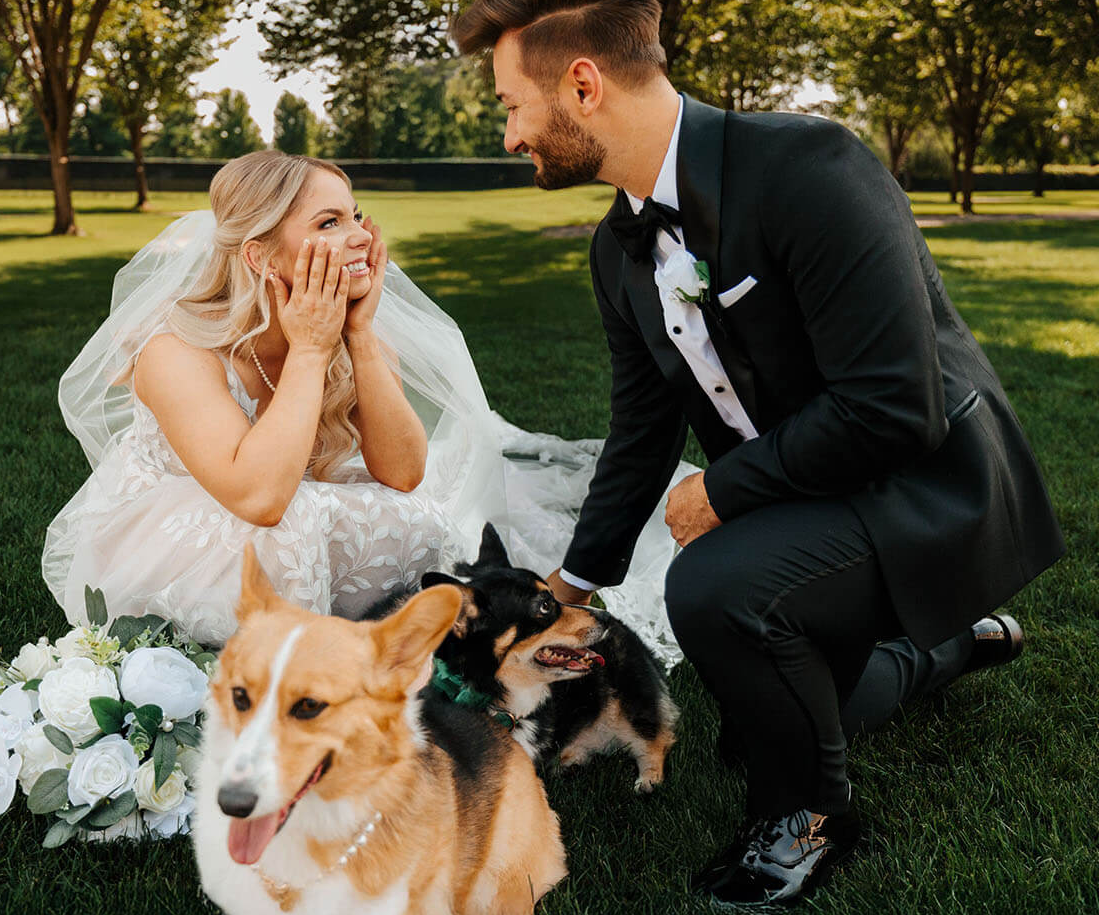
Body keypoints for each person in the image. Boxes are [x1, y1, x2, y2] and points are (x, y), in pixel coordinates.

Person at [452, 0, 1066, 909]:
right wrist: (567, 583)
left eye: (511, 104)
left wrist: (723, 492)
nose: (509, 133)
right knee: (752, 717)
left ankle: (807, 818)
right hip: (809, 494)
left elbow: (897, 406)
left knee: (716, 586)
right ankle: (948, 650)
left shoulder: (811, 169)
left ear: (582, 85)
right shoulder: (619, 254)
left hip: (925, 479)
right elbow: (642, 430)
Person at [43, 150, 694, 655]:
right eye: (329, 222)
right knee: (298, 522)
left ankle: (342, 633)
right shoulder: (174, 347)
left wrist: (355, 336)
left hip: (284, 507)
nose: (359, 236)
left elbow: (404, 469)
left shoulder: (353, 328)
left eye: (355, 215)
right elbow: (258, 497)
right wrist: (308, 348)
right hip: (173, 530)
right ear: (260, 254)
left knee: (420, 513)